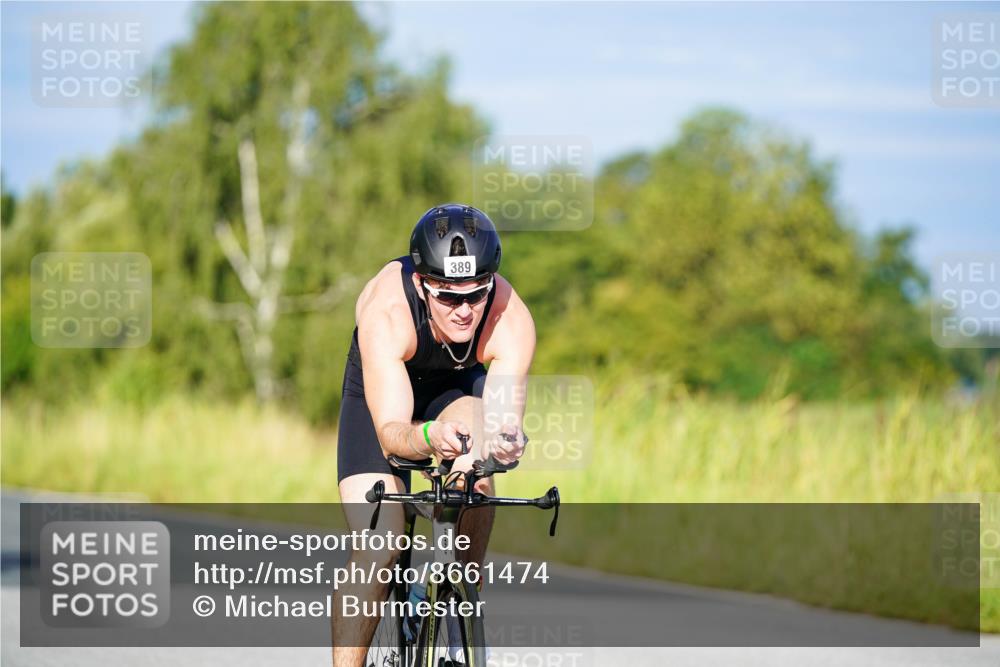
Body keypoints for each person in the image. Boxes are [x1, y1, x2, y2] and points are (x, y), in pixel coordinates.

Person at [332, 204, 535, 666]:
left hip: (454, 390)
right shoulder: (386, 309)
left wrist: (503, 444)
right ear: (423, 285)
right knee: (379, 544)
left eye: (476, 294)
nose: (465, 311)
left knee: (478, 481)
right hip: (380, 404)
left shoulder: (511, 317)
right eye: (448, 297)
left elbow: (502, 418)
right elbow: (392, 434)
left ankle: (464, 598)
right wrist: (429, 437)